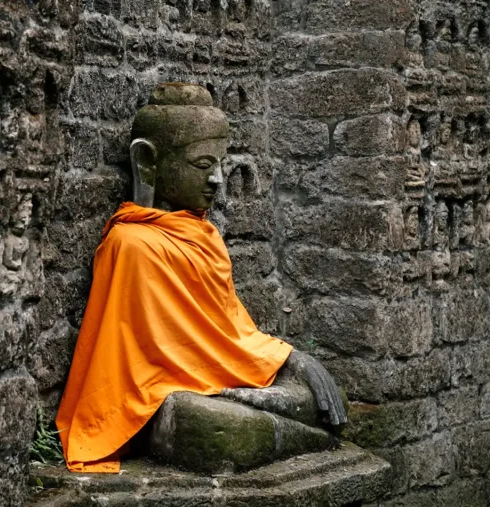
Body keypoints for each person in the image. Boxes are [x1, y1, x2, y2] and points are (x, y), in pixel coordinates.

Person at [55, 83, 346, 473]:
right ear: (148, 162)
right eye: (202, 165)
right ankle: (305, 435)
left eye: (220, 165)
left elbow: (231, 333)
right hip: (162, 390)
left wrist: (293, 358)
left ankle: (272, 415)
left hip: (220, 375)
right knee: (223, 430)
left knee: (326, 393)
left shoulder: (204, 236)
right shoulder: (130, 244)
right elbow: (145, 353)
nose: (217, 180)